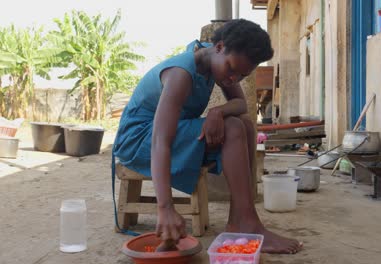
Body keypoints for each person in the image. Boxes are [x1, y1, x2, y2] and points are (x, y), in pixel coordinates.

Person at [113, 19, 302, 254]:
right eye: (231, 69)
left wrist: (217, 111)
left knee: (246, 126)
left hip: (165, 134)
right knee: (233, 128)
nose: (233, 79)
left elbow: (240, 104)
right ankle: (248, 224)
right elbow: (160, 142)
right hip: (138, 140)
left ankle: (239, 220)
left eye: (242, 75)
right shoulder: (181, 74)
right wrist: (165, 207)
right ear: (220, 47)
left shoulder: (211, 58)